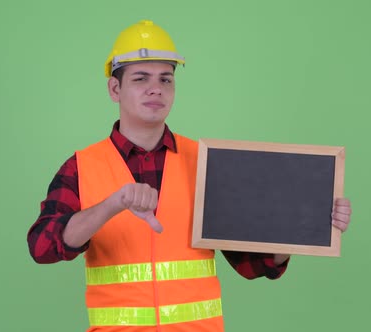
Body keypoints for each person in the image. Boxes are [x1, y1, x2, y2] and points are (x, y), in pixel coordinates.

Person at [27, 20, 353, 332]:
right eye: (141, 78)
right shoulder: (81, 167)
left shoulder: (206, 163)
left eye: (165, 79)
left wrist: (306, 223)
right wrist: (113, 204)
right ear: (115, 88)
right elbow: (42, 247)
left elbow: (253, 265)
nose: (156, 89)